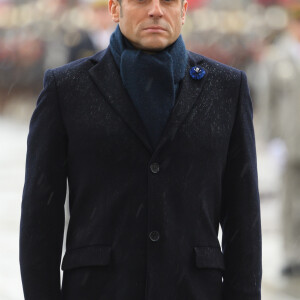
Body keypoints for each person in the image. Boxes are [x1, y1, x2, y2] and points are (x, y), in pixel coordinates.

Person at [19, 0, 262, 299]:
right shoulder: (66, 88)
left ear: (184, 10)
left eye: (169, 1)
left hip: (194, 289)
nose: (156, 10)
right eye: (142, 0)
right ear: (114, 8)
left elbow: (244, 217)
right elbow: (40, 218)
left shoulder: (227, 88)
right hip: (98, 289)